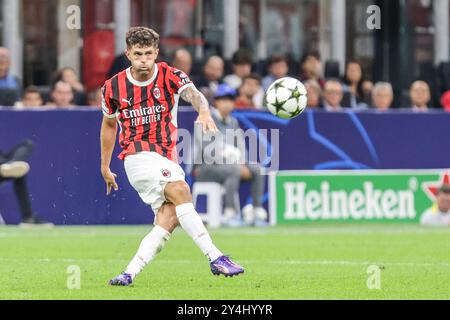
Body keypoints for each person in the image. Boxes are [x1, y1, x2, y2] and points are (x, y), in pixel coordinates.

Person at [101, 27, 244, 286]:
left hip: (167, 158)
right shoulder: (113, 87)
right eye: (137, 54)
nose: (143, 59)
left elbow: (195, 95)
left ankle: (128, 273)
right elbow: (109, 126)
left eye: (148, 53)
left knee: (169, 217)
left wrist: (204, 111)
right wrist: (105, 166)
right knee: (180, 190)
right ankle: (216, 257)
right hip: (138, 157)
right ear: (128, 54)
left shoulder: (170, 75)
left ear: (156, 53)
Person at [194, 84, 267, 226]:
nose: (227, 103)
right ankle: (230, 214)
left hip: (230, 165)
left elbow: (241, 147)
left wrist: (242, 162)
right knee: (234, 170)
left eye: (230, 100)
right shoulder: (205, 119)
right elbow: (208, 151)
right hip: (204, 168)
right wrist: (235, 164)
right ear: (216, 101)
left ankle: (257, 212)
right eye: (223, 99)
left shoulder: (233, 122)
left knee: (257, 169)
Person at [0, 140, 52, 226]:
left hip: (4, 165)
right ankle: (28, 217)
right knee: (19, 173)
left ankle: (12, 164)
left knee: (27, 144)